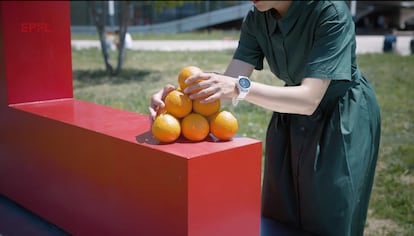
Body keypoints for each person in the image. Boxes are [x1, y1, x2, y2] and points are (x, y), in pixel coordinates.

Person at [149, 1, 381, 236]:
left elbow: (309, 99)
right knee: (280, 217)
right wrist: (176, 100)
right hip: (289, 114)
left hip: (340, 118)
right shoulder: (257, 17)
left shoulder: (330, 12)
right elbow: (231, 80)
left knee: (329, 218)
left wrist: (241, 87)